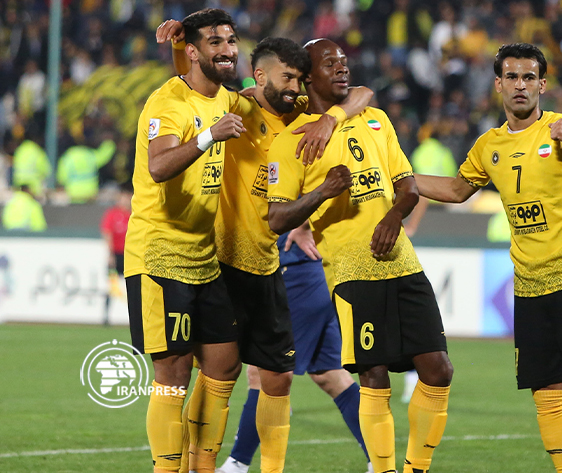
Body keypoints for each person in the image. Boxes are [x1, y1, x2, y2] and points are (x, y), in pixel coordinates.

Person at [158, 20, 375, 472]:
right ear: (259, 77)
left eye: (300, 78)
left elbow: (363, 94)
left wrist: (328, 123)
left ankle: (257, 467)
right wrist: (182, 44)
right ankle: (201, 464)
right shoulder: (235, 107)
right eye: (288, 77)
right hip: (220, 263)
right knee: (219, 373)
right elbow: (193, 84)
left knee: (276, 378)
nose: (296, 87)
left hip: (269, 264)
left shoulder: (304, 118)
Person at [413, 43, 562, 473]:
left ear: (543, 84)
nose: (520, 85)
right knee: (548, 394)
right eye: (512, 77)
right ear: (498, 84)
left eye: (529, 77)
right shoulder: (488, 145)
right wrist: (400, 176)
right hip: (530, 285)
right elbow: (458, 191)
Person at [266, 39, 454, 473]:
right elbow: (276, 218)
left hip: (403, 263)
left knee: (439, 370)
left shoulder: (375, 119)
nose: (342, 69)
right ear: (307, 77)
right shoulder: (290, 142)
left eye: (344, 62)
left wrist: (393, 218)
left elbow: (407, 185)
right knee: (374, 377)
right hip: (350, 272)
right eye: (329, 63)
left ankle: (416, 468)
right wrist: (322, 192)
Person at [124, 9, 245, 473]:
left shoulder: (227, 101)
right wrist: (208, 138)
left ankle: (203, 466)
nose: (228, 49)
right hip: (158, 254)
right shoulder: (168, 102)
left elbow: (261, 97)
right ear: (193, 51)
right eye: (215, 42)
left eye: (231, 40)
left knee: (223, 366)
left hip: (203, 258)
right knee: (173, 376)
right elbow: (158, 166)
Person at [56, 136, 116, 203]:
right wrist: (110, 143)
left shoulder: (67, 157)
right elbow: (103, 156)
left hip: (73, 194)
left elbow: (61, 178)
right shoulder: (89, 155)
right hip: (90, 193)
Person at [100, 182, 132, 275]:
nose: (126, 200)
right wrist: (110, 254)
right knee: (115, 284)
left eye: (128, 197)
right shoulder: (113, 214)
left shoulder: (134, 214)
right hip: (117, 253)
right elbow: (107, 233)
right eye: (124, 197)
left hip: (131, 254)